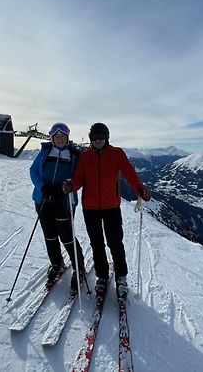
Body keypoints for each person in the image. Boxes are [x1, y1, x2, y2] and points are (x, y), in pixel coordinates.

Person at [63, 122, 150, 299]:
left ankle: (121, 276)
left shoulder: (117, 154)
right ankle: (102, 277)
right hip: (90, 208)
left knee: (115, 242)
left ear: (107, 137)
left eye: (100, 137)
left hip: (111, 207)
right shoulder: (85, 156)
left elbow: (129, 173)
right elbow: (79, 177)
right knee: (96, 244)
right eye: (94, 138)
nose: (97, 141)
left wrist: (139, 189)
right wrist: (72, 185)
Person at [30, 122, 85, 291]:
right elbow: (33, 171)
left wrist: (69, 187)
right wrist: (43, 187)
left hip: (64, 201)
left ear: (67, 138)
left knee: (67, 236)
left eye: (63, 137)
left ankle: (79, 267)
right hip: (44, 200)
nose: (60, 139)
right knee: (50, 236)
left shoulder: (75, 155)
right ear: (52, 138)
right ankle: (57, 263)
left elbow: (79, 177)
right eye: (57, 137)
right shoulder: (45, 152)